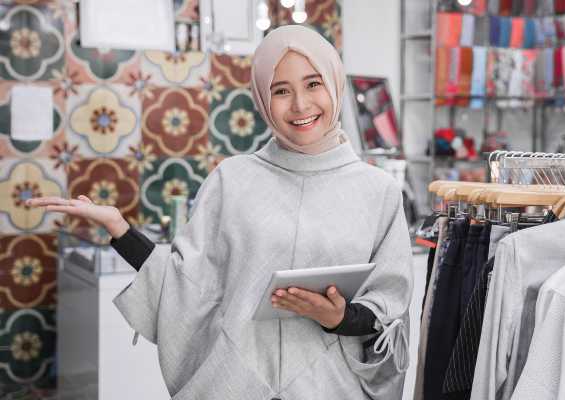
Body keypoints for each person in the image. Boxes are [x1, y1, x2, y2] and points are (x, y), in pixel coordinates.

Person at [27, 25, 413, 400]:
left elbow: (389, 309)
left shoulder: (377, 191)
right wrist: (120, 229)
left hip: (333, 387)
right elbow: (186, 287)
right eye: (281, 90)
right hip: (235, 385)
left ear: (334, 83)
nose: (300, 104)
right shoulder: (233, 179)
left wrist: (339, 318)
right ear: (262, 99)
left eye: (313, 84)